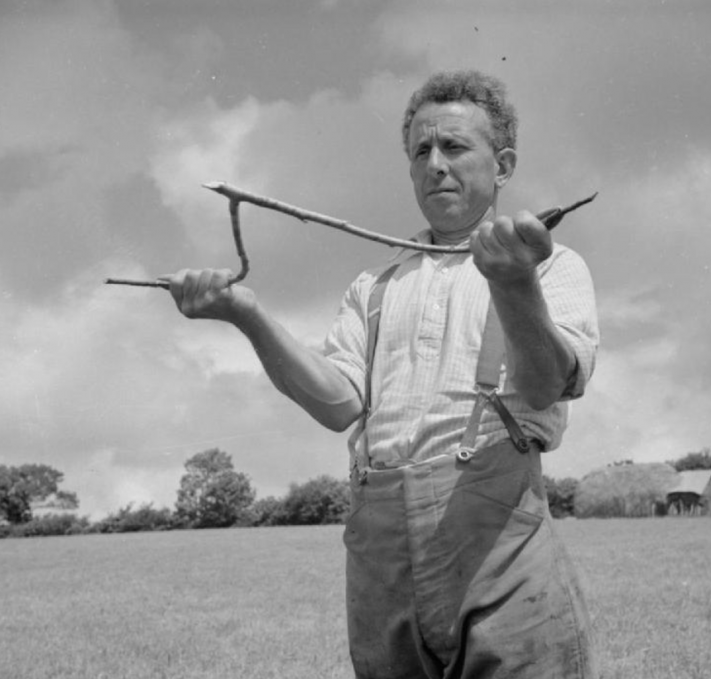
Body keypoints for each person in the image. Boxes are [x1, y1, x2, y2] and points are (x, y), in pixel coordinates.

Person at [162, 70, 599, 679]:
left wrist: (513, 280)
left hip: (501, 544)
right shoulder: (374, 288)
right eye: (421, 151)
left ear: (502, 164)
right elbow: (338, 404)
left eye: (454, 146)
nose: (435, 164)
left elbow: (546, 383)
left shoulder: (550, 266)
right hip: (380, 556)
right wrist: (244, 313)